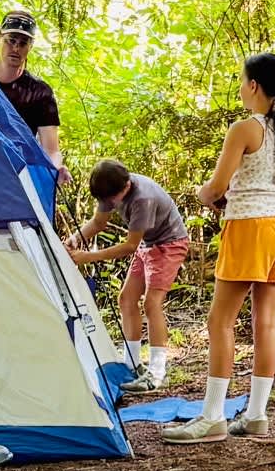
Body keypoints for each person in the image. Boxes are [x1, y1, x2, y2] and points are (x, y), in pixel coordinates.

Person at [165, 52, 275, 441]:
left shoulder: (244, 128)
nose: (241, 88)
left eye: (243, 81)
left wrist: (202, 194)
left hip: (248, 228)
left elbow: (216, 187)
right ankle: (256, 414)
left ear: (254, 85)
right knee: (266, 322)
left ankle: (212, 417)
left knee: (220, 320)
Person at [68, 160, 190, 389]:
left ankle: (156, 371)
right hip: (148, 244)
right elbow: (98, 222)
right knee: (126, 299)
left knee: (152, 304)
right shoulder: (109, 189)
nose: (108, 204)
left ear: (125, 186)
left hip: (168, 244)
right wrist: (76, 239)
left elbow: (129, 246)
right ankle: (132, 364)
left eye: (110, 200)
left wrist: (88, 257)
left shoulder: (143, 198)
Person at [0, 8, 63, 163]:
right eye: (11, 40)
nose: (16, 48)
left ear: (30, 46)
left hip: (17, 172)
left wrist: (56, 170)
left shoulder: (40, 93)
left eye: (23, 43)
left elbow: (52, 151)